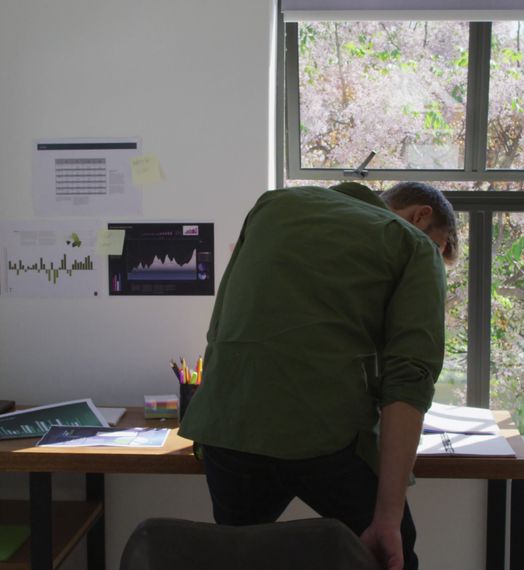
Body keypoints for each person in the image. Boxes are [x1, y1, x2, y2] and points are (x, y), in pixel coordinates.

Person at [178, 180, 456, 570]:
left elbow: (221, 326)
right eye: (439, 244)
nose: (434, 252)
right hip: (324, 432)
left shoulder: (273, 206)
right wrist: (389, 518)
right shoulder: (413, 244)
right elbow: (408, 376)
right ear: (420, 216)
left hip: (228, 425)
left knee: (238, 554)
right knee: (391, 550)